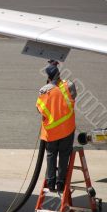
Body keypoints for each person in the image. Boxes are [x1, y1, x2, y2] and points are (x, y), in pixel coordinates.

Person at [36, 61, 77, 192]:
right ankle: (61, 184)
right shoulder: (69, 85)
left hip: (51, 132)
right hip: (67, 129)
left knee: (51, 155)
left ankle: (51, 182)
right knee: (64, 155)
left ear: (48, 77)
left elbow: (39, 109)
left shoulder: (44, 91)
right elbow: (74, 95)